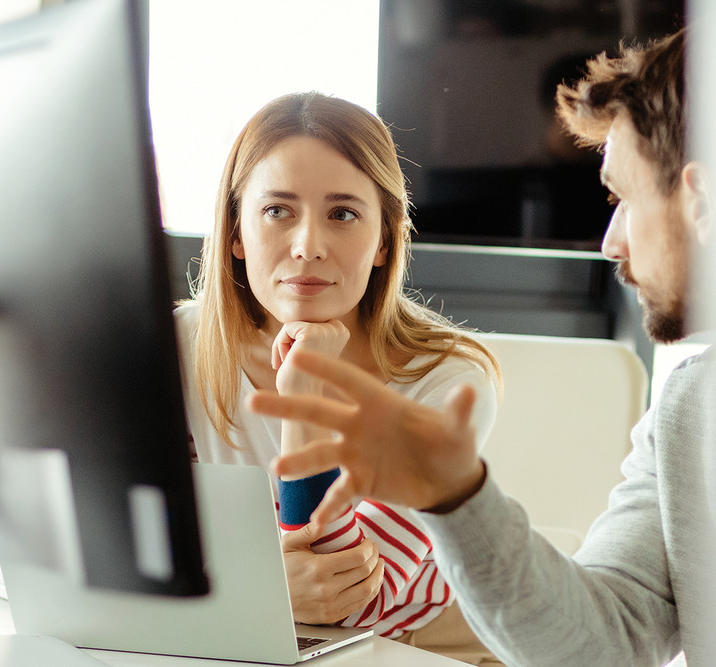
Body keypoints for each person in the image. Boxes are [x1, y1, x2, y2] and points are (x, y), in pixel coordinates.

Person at [249, 30, 716, 667]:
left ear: (703, 203)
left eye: (623, 197)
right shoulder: (688, 411)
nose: (610, 242)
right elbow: (603, 646)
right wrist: (457, 497)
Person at [173, 91, 507, 665]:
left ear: (383, 240)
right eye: (277, 210)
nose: (308, 247)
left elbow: (344, 603)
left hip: (430, 645)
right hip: (251, 637)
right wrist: (260, 585)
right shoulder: (179, 345)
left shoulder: (449, 381)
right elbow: (134, 540)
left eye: (343, 214)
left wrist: (304, 390)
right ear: (234, 232)